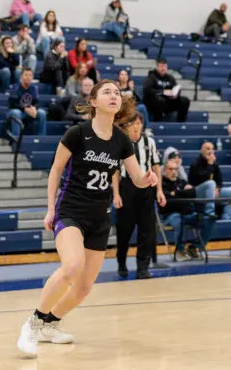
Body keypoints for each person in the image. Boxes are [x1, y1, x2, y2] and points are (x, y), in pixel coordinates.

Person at [16, 80, 158, 357]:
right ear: (93, 101)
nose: (114, 96)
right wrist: (50, 208)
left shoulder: (122, 141)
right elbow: (56, 170)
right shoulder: (77, 133)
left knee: (83, 288)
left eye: (117, 93)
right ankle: (32, 324)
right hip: (70, 212)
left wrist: (146, 179)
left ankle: (50, 324)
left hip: (100, 217)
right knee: (72, 266)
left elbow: (138, 178)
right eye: (107, 92)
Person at [113, 112, 163, 279]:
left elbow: (156, 167)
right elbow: (115, 172)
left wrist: (159, 190)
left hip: (147, 189)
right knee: (124, 230)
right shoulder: (121, 143)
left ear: (142, 125)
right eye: (132, 123)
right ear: (127, 126)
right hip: (127, 187)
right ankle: (121, 263)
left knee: (147, 230)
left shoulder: (150, 142)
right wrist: (116, 194)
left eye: (138, 123)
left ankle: (143, 268)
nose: (135, 126)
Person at [158, 156, 213, 260]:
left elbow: (192, 193)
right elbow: (168, 202)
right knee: (179, 219)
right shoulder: (161, 185)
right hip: (169, 215)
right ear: (164, 170)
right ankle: (179, 250)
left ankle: (194, 247)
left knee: (209, 218)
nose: (174, 172)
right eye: (170, 169)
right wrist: (183, 196)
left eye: (176, 169)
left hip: (187, 213)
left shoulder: (181, 181)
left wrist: (177, 194)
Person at [142, 58, 190, 123]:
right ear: (157, 67)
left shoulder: (170, 78)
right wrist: (163, 92)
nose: (163, 68)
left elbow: (176, 88)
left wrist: (175, 94)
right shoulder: (151, 77)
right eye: (161, 66)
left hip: (167, 101)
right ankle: (158, 122)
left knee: (185, 100)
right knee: (159, 100)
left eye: (165, 66)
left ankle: (181, 122)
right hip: (153, 102)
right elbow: (147, 90)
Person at [8, 67, 47, 137]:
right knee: (16, 113)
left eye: (30, 75)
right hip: (15, 111)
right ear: (21, 76)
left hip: (29, 111)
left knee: (42, 113)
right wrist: (25, 109)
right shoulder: (15, 87)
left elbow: (37, 102)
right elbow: (12, 104)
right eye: (26, 75)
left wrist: (34, 108)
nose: (28, 77)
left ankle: (41, 137)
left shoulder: (34, 88)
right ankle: (16, 140)